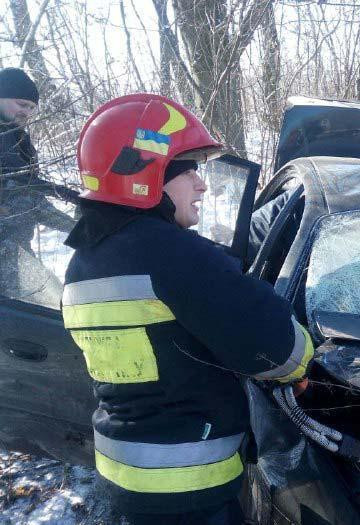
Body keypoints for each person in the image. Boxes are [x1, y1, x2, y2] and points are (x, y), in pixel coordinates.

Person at [61, 94, 313, 525]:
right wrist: (305, 360)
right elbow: (278, 348)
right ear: (147, 174)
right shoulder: (171, 254)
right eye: (189, 170)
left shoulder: (81, 262)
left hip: (125, 473)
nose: (202, 184)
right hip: (188, 485)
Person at [0, 68, 75, 298]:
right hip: (7, 253)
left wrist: (76, 228)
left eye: (31, 108)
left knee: (49, 304)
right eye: (21, 104)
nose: (26, 112)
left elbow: (31, 200)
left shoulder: (19, 139)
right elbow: (19, 191)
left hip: (17, 251)